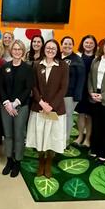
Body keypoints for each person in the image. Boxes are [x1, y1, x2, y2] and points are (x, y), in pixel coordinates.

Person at [26, 39, 69, 178]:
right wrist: (41, 103)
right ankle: (41, 162)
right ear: (44, 49)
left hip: (55, 110)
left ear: (57, 50)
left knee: (52, 137)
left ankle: (49, 162)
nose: (50, 50)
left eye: (53, 48)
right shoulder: (37, 65)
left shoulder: (63, 66)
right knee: (39, 136)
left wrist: (51, 106)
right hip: (39, 108)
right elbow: (34, 86)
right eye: (48, 47)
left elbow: (63, 88)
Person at [0, 40, 34, 177]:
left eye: (20, 49)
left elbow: (28, 88)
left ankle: (17, 161)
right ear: (11, 51)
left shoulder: (28, 68)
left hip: (21, 107)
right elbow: (0, 87)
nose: (17, 51)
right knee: (8, 135)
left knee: (19, 135)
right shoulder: (5, 67)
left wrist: (15, 104)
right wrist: (7, 103)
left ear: (23, 51)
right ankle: (9, 160)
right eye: (15, 49)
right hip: (5, 107)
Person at [61, 36, 85, 148]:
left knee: (67, 117)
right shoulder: (57, 57)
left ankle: (65, 141)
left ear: (73, 45)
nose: (67, 46)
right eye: (65, 43)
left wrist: (77, 96)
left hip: (69, 95)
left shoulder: (77, 60)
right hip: (58, 94)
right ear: (61, 45)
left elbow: (81, 79)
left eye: (70, 44)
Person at [74, 34, 97, 147]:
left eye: (91, 43)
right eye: (86, 42)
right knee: (81, 114)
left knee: (90, 115)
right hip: (80, 89)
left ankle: (88, 138)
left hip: (92, 90)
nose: (88, 45)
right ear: (82, 44)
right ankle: (80, 136)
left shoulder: (98, 58)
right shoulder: (78, 56)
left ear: (94, 45)